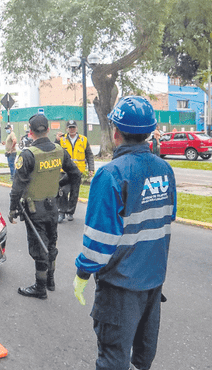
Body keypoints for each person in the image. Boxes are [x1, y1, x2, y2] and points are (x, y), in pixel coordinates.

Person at [73, 96, 176, 370]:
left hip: (120, 288)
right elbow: (166, 218)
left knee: (113, 360)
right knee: (143, 358)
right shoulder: (165, 169)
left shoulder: (111, 175)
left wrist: (83, 273)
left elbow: (98, 241)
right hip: (153, 283)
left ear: (115, 132)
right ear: (150, 132)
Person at [8, 114, 81, 299]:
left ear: (30, 132)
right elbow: (76, 175)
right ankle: (50, 280)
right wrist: (66, 195)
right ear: (48, 129)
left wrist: (12, 209)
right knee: (51, 241)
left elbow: (17, 186)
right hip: (53, 207)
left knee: (39, 246)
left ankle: (40, 288)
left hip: (35, 210)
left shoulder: (27, 155)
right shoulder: (59, 151)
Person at [54, 120, 95, 223]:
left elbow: (89, 155)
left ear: (76, 128)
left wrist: (91, 168)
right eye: (70, 127)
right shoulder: (62, 139)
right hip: (65, 171)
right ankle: (62, 212)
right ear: (67, 129)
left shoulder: (83, 140)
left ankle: (70, 212)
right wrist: (56, 140)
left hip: (77, 172)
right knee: (63, 191)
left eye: (73, 127)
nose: (72, 129)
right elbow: (53, 151)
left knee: (74, 193)